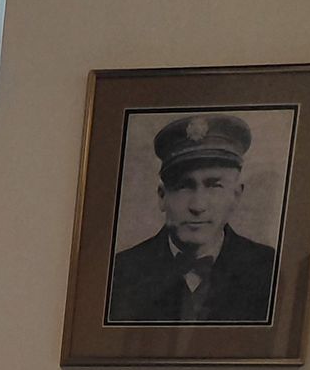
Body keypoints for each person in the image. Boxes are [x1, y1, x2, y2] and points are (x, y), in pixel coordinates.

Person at [107, 112, 279, 325]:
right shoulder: (120, 273)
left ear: (236, 195)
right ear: (162, 197)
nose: (198, 206)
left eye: (214, 186)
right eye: (183, 186)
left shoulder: (270, 270)